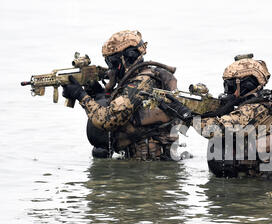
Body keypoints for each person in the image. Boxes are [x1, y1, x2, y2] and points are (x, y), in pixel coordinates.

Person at [171, 54, 272, 179]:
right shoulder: (265, 101)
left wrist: (187, 115)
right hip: (261, 179)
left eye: (230, 86)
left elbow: (213, 129)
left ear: (245, 85)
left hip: (267, 184)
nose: (227, 90)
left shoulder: (253, 109)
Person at [62, 30, 191, 160]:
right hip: (148, 166)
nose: (111, 68)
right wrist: (97, 92)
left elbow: (108, 120)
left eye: (113, 62)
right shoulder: (144, 78)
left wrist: (81, 95)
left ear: (128, 57)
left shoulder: (140, 83)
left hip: (148, 168)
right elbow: (118, 106)